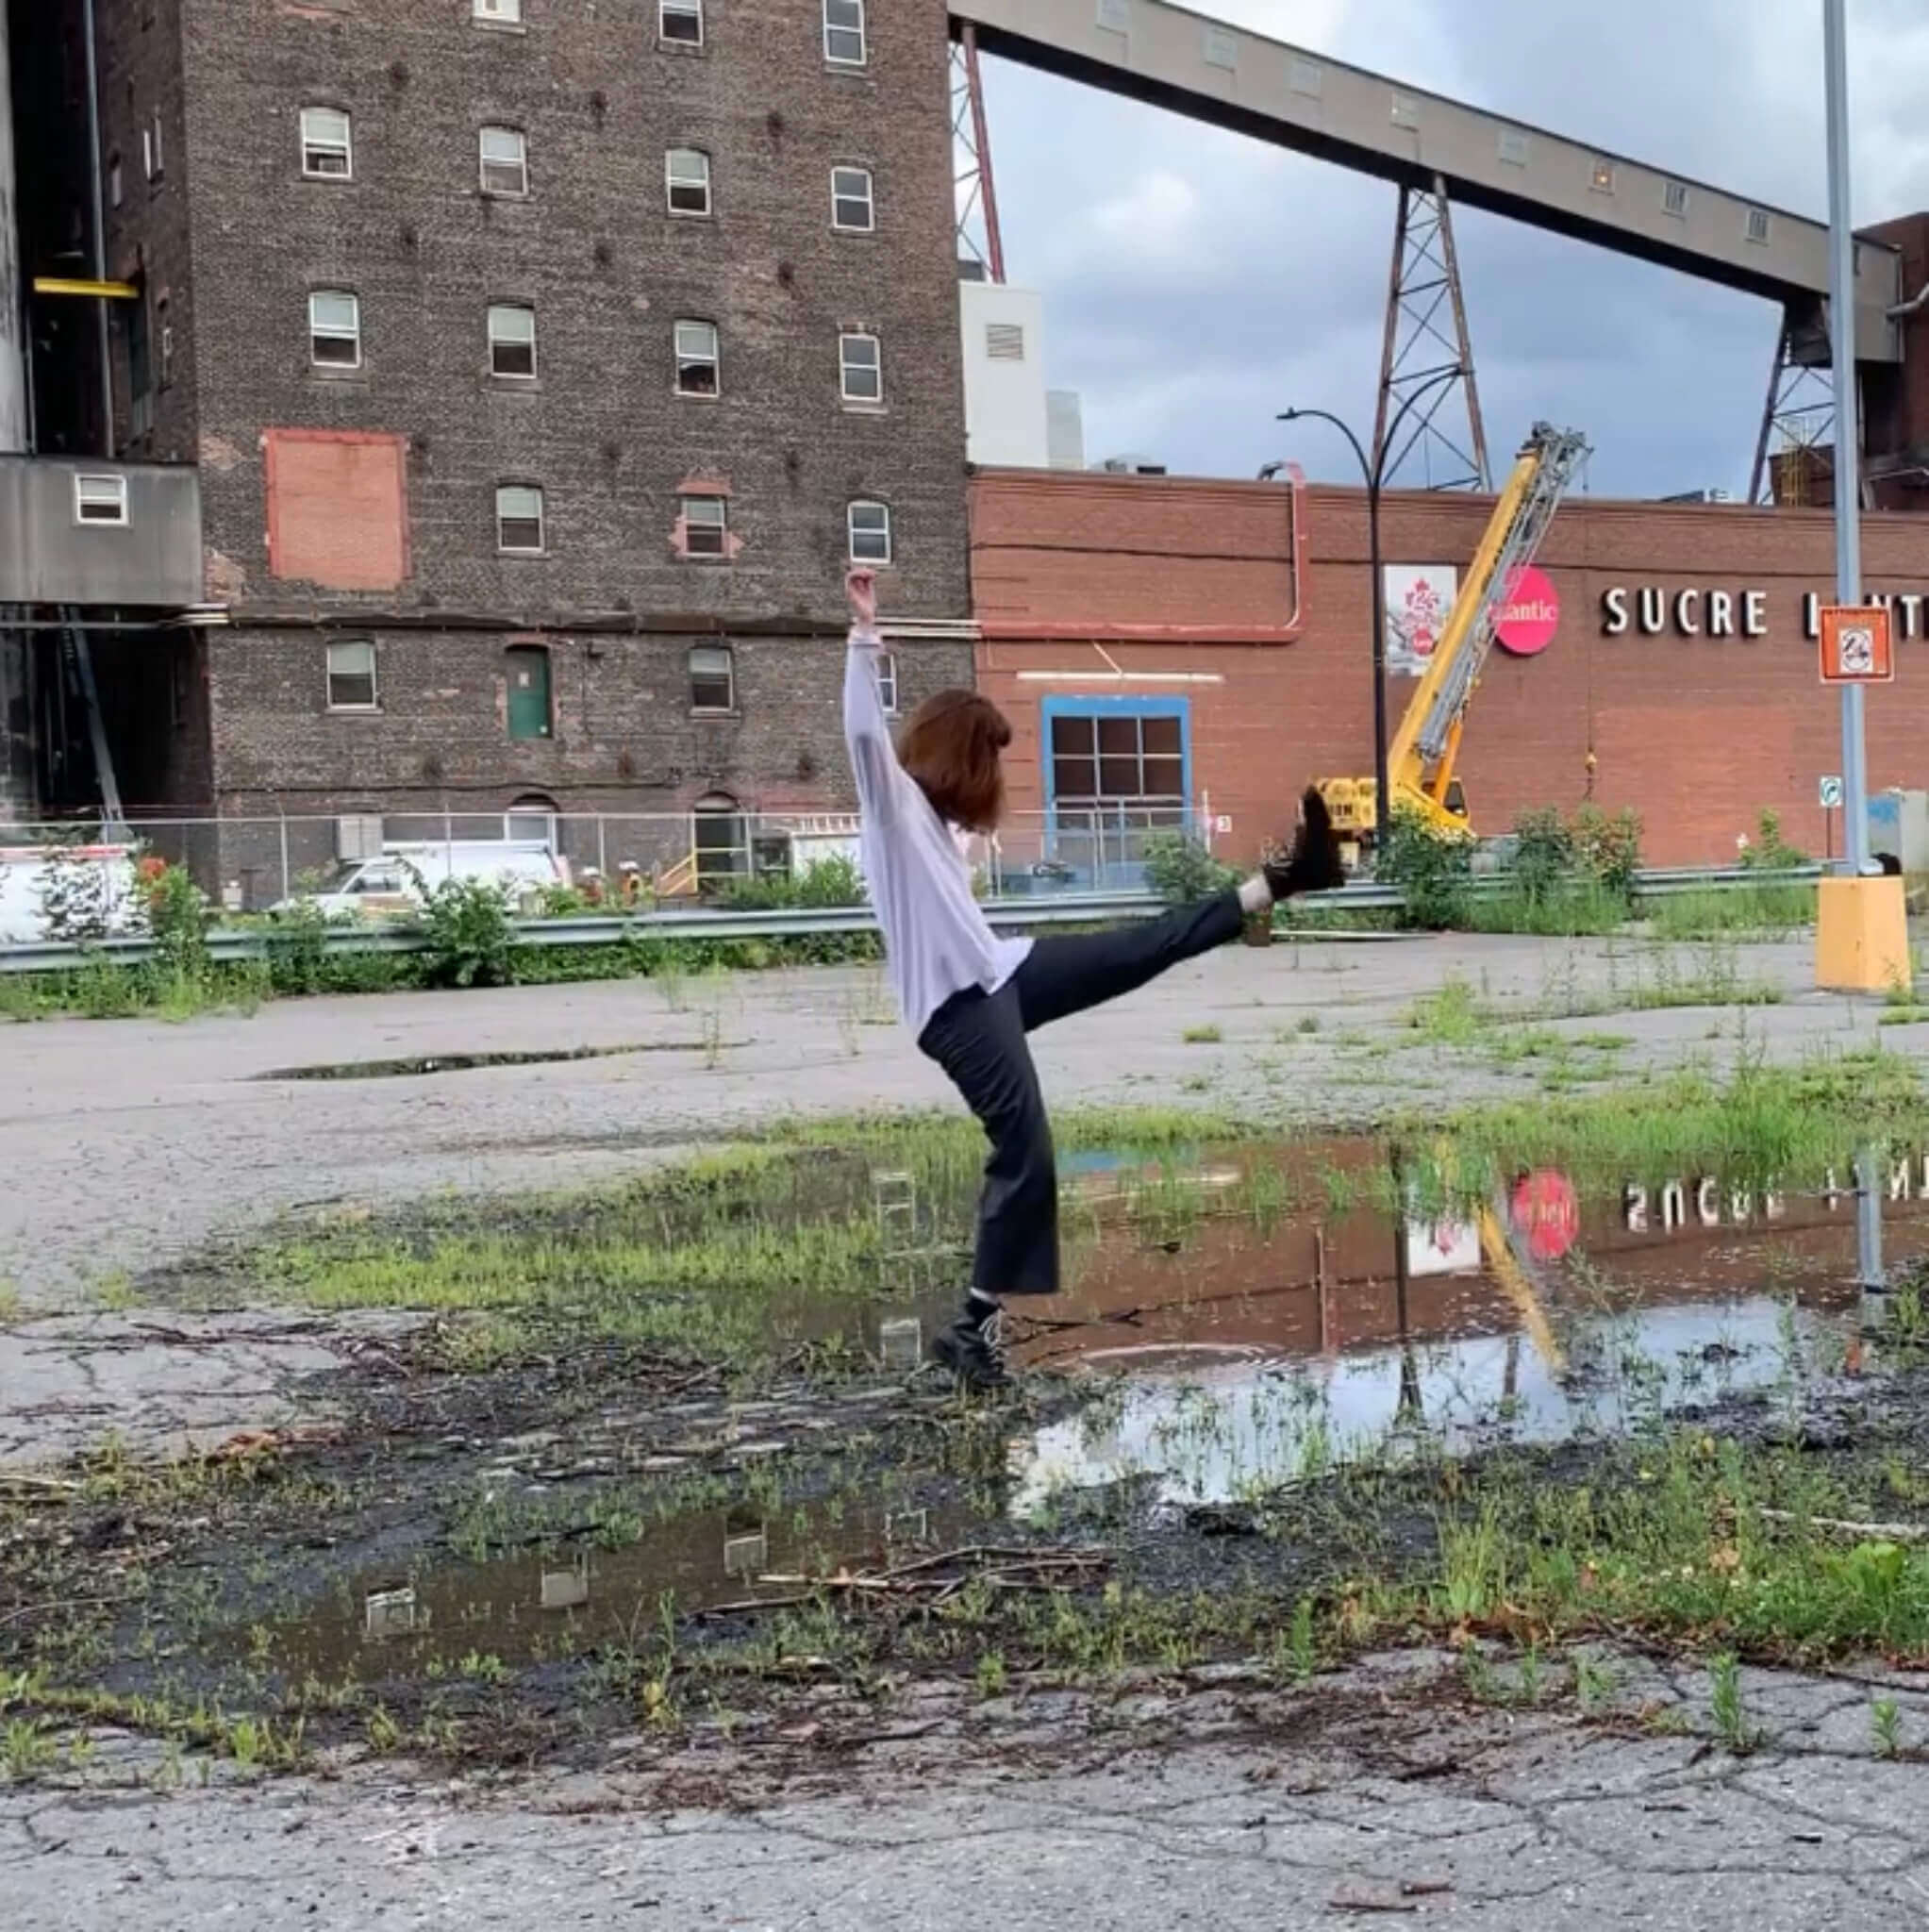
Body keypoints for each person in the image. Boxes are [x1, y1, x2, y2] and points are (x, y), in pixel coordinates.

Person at [842, 567, 1343, 1391]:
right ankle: (970, 1332)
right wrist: (863, 636)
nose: (996, 788)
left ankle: (1284, 880)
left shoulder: (930, 824)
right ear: (957, 759)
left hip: (1002, 970)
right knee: (1025, 1148)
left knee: (1144, 945)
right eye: (989, 765)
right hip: (959, 1010)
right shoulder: (892, 810)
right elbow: (864, 735)